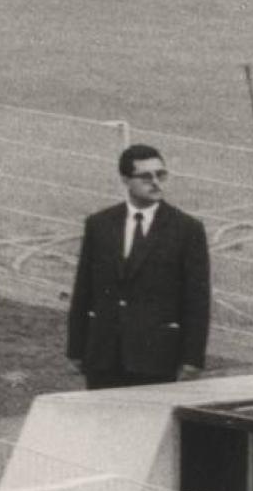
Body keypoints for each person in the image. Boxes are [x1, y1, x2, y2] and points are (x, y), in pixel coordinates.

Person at [66, 143, 212, 390]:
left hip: (157, 357)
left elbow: (197, 299)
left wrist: (192, 358)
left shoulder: (186, 229)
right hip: (104, 356)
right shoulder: (100, 224)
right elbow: (84, 289)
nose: (156, 182)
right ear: (125, 180)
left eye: (160, 175)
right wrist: (76, 348)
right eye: (146, 176)